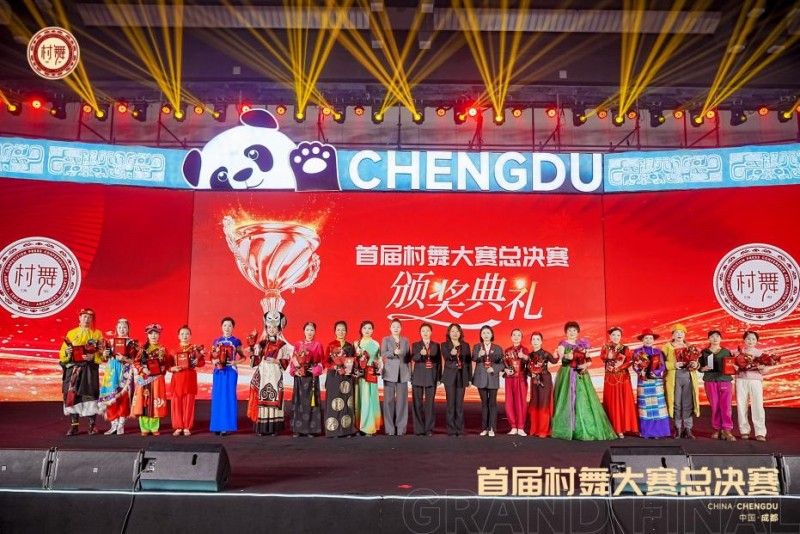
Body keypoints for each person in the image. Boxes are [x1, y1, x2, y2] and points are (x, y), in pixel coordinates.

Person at [551, 321, 617, 441]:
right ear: (566, 332)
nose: (572, 333)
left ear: (578, 332)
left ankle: (583, 427)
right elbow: (562, 357)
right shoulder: (563, 344)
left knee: (583, 399)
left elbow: (589, 359)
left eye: (574, 330)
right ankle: (569, 428)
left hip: (581, 374)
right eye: (569, 330)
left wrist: (585, 365)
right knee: (567, 400)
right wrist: (567, 356)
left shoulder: (582, 344)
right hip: (567, 374)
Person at [59, 308, 104, 436]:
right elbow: (62, 353)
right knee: (72, 395)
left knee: (90, 396)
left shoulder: (97, 334)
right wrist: (67, 352)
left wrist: (93, 357)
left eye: (89, 317)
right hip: (74, 370)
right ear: (79, 318)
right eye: (84, 316)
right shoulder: (71, 333)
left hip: (89, 370)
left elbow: (102, 353)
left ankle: (92, 426)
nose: (87, 319)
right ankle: (74, 426)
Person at [247, 311, 292, 436]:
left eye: (274, 327)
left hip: (275, 375)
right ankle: (262, 428)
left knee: (275, 399)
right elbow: (255, 361)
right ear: (266, 328)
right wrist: (252, 349)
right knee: (262, 400)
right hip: (264, 375)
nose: (271, 329)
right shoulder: (261, 344)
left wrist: (276, 361)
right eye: (269, 327)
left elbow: (286, 361)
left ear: (279, 329)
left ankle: (274, 428)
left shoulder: (282, 345)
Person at [735, 330, 776, 442]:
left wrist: (762, 368)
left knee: (758, 405)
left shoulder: (760, 354)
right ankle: (744, 430)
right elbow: (731, 366)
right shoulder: (738, 353)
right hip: (741, 380)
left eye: (753, 339)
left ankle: (760, 432)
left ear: (757, 341)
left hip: (755, 381)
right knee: (741, 405)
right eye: (748, 338)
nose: (750, 341)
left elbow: (765, 370)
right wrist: (735, 368)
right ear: (744, 340)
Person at [99, 318, 137, 435]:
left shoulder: (132, 343)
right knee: (111, 398)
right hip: (111, 372)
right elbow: (104, 359)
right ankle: (113, 424)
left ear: (128, 329)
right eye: (120, 327)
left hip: (125, 372)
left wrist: (124, 358)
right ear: (116, 328)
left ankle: (121, 424)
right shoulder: (110, 342)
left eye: (124, 327)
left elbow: (135, 361)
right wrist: (105, 354)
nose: (122, 329)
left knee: (124, 398)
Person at [662, 323, 701, 439]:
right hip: (674, 378)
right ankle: (678, 428)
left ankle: (688, 429)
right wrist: (674, 365)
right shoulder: (667, 347)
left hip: (688, 378)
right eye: (677, 332)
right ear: (673, 335)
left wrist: (695, 364)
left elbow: (697, 363)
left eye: (682, 332)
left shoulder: (690, 347)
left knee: (688, 403)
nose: (679, 334)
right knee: (676, 403)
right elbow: (661, 363)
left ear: (685, 334)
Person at [632, 329, 671, 439]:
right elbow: (634, 365)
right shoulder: (637, 352)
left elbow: (662, 366)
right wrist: (640, 372)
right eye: (646, 338)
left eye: (650, 338)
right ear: (642, 340)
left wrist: (657, 373)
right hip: (644, 381)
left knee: (658, 406)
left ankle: (660, 431)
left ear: (653, 340)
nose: (648, 340)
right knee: (645, 407)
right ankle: (646, 431)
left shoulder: (658, 351)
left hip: (656, 381)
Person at [167, 325, 205, 436]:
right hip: (177, 379)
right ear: (178, 336)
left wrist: (197, 361)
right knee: (177, 403)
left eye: (187, 334)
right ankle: (178, 427)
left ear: (190, 336)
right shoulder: (173, 351)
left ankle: (187, 426)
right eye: (182, 334)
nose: (185, 336)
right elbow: (168, 365)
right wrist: (172, 368)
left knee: (189, 403)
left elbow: (202, 363)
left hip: (189, 379)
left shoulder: (195, 349)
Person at [210, 316, 245, 436]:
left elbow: (243, 357)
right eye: (225, 325)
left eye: (229, 325)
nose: (227, 328)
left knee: (228, 397)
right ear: (221, 327)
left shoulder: (236, 341)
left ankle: (226, 426)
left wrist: (235, 362)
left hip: (230, 372)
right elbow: (212, 357)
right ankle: (216, 426)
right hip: (218, 371)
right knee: (217, 397)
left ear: (233, 328)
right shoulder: (216, 341)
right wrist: (214, 361)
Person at [131, 323, 168, 436]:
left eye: (156, 333)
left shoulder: (162, 349)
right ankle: (144, 427)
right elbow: (136, 362)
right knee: (143, 401)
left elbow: (166, 364)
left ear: (159, 335)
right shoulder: (142, 349)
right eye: (151, 333)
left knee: (155, 401)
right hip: (144, 378)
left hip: (157, 379)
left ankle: (154, 426)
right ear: (147, 335)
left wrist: (161, 369)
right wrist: (143, 369)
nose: (153, 336)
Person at [601, 327, 638, 438]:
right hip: (610, 378)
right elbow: (603, 357)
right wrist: (608, 356)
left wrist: (619, 367)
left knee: (624, 401)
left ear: (621, 337)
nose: (616, 337)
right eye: (613, 335)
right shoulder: (605, 347)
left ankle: (626, 427)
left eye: (618, 335)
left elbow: (629, 361)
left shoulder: (625, 348)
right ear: (610, 336)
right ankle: (616, 428)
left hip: (623, 378)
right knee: (613, 402)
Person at [324, 321, 358, 438]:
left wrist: (351, 367)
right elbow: (326, 362)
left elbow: (354, 361)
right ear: (335, 331)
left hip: (346, 377)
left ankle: (347, 430)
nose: (341, 332)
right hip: (334, 377)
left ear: (346, 331)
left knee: (347, 402)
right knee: (334, 403)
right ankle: (333, 430)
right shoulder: (331, 345)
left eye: (343, 329)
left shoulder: (350, 346)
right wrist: (335, 367)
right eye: (338, 329)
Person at [699, 329, 735, 441]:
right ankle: (717, 428)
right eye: (712, 336)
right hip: (710, 381)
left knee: (726, 406)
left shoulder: (726, 352)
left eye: (717, 336)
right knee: (715, 406)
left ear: (721, 338)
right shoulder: (704, 352)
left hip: (725, 380)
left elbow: (732, 365)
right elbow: (699, 366)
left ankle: (727, 429)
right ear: (708, 339)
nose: (715, 338)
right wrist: (702, 368)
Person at [290, 322, 324, 437]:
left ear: (315, 332)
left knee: (311, 403)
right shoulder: (298, 344)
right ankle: (298, 429)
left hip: (311, 378)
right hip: (300, 378)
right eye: (307, 330)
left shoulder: (318, 345)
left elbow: (321, 362)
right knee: (299, 402)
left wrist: (314, 370)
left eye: (312, 330)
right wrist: (295, 371)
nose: (309, 332)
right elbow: (294, 359)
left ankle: (311, 430)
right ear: (304, 331)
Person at [380, 319, 411, 436]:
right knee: (388, 401)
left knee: (402, 402)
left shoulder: (405, 340)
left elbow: (408, 358)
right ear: (390, 328)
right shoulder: (386, 339)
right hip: (389, 374)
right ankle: (390, 429)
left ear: (401, 328)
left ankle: (401, 428)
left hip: (403, 373)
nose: (396, 328)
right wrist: (393, 352)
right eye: (394, 326)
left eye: (398, 326)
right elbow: (383, 353)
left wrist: (410, 373)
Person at [471, 325, 504, 437]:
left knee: (492, 403)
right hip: (480, 378)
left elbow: (503, 364)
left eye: (488, 333)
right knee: (484, 403)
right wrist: (479, 355)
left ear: (491, 335)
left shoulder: (498, 348)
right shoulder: (477, 347)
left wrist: (494, 368)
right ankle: (484, 428)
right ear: (481, 335)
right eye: (483, 333)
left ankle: (492, 428)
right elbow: (474, 358)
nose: (486, 335)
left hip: (493, 377)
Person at [441, 323, 472, 436]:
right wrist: (451, 354)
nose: (455, 333)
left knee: (459, 404)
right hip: (449, 377)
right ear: (449, 333)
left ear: (460, 333)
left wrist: (469, 378)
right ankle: (451, 429)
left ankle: (460, 429)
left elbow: (468, 363)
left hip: (462, 376)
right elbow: (446, 358)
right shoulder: (444, 345)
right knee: (450, 404)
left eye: (457, 331)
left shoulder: (465, 345)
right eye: (452, 331)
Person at [526, 332, 559, 438]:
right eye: (533, 339)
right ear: (531, 342)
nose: (535, 341)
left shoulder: (545, 354)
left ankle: (543, 430)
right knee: (535, 403)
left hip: (545, 380)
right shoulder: (529, 356)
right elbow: (527, 370)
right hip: (534, 381)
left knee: (544, 404)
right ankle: (534, 429)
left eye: (537, 339)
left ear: (541, 341)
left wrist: (556, 355)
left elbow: (554, 361)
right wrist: (530, 373)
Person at [411, 323, 441, 436]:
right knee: (417, 403)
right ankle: (419, 429)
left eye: (427, 330)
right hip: (418, 377)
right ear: (420, 332)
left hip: (431, 376)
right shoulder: (416, 345)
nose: (425, 333)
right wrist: (420, 353)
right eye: (423, 331)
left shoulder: (436, 345)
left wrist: (438, 377)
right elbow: (413, 358)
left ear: (431, 332)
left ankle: (429, 429)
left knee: (430, 404)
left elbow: (439, 362)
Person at [355, 320, 382, 435]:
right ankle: (358, 426)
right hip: (359, 376)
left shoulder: (376, 344)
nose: (367, 330)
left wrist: (378, 367)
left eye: (370, 328)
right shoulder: (356, 343)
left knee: (369, 399)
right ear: (361, 330)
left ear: (373, 330)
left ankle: (369, 428)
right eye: (365, 328)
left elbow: (379, 360)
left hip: (370, 375)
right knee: (359, 400)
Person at [503, 328, 529, 436]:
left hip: (521, 379)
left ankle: (521, 427)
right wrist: (505, 370)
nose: (516, 337)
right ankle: (513, 426)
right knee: (509, 402)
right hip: (509, 379)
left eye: (518, 335)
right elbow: (504, 364)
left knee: (521, 403)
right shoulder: (507, 350)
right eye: (514, 335)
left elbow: (530, 362)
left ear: (521, 337)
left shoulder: (525, 350)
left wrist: (524, 357)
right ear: (511, 337)